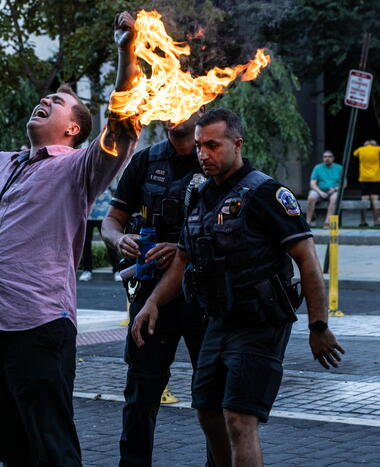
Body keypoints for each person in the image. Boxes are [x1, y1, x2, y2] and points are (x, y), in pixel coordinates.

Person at [0, 11, 140, 466]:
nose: (45, 99)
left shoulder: (78, 168)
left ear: (72, 129)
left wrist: (126, 51)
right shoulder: (4, 164)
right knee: (10, 449)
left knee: (52, 449)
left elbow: (122, 125)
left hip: (37, 328)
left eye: (56, 101)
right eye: (46, 96)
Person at [132, 109, 345, 467]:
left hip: (260, 321)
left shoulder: (266, 192)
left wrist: (318, 326)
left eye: (213, 146)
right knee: (207, 411)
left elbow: (307, 259)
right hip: (218, 320)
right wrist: (152, 301)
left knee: (238, 418)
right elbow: (183, 258)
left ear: (237, 143)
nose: (203, 154)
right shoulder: (200, 197)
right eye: (199, 146)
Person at [101, 108, 212, 466]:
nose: (175, 110)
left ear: (203, 107)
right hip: (151, 297)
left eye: (184, 102)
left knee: (213, 396)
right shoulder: (146, 161)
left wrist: (184, 249)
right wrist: (121, 241)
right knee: (140, 393)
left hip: (204, 296)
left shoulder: (215, 158)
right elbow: (111, 221)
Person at [79, 182, 121, 282]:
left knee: (110, 243)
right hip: (87, 212)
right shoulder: (85, 169)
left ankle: (117, 270)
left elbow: (115, 190)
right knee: (85, 244)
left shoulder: (109, 169)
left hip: (105, 212)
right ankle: (87, 270)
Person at [305, 150, 342, 227]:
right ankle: (307, 222)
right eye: (325, 157)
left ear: (333, 158)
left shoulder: (339, 168)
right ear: (323, 158)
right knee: (311, 197)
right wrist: (320, 192)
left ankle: (327, 222)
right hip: (319, 190)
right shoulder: (318, 167)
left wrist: (335, 189)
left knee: (335, 197)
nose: (327, 158)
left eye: (329, 156)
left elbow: (344, 184)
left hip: (334, 191)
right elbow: (312, 184)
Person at [352, 139, 380, 226]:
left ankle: (362, 221)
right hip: (376, 178)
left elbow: (354, 154)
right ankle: (376, 222)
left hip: (364, 178)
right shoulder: (378, 149)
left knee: (364, 200)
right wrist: (375, 145)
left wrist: (364, 146)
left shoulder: (360, 149)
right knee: (375, 200)